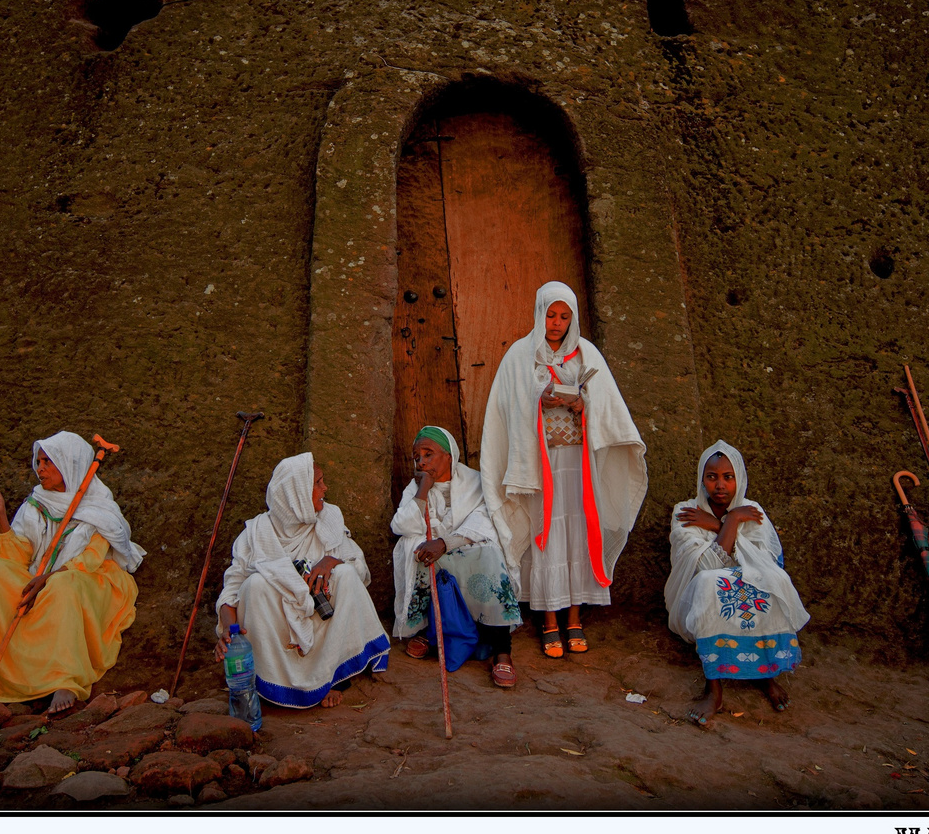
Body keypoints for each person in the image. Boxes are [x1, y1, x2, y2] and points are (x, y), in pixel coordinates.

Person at [480, 281, 647, 658]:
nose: (556, 323)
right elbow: (506, 408)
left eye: (564, 316)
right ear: (540, 313)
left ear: (573, 318)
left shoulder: (586, 354)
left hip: (578, 463)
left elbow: (607, 406)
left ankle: (575, 617)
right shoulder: (520, 356)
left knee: (578, 530)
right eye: (551, 315)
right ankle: (549, 620)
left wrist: (583, 405)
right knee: (548, 532)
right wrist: (538, 400)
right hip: (541, 464)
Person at [0, 431, 145, 716]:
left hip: (86, 580)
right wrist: (1, 516)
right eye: (39, 461)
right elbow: (17, 558)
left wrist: (48, 578)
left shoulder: (101, 510)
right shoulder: (36, 503)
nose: (40, 468)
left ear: (70, 464)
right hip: (39, 576)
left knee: (63, 585)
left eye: (49, 461)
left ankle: (64, 679)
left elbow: (91, 559)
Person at [215, 453, 390, 708]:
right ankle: (274, 681)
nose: (325, 488)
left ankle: (331, 677)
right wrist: (231, 634)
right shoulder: (256, 534)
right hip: (279, 628)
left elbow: (360, 569)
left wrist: (330, 562)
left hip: (321, 623)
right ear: (295, 494)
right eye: (318, 482)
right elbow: (230, 590)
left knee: (346, 575)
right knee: (254, 586)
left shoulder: (328, 519)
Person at [667, 441, 809, 721]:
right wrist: (731, 522)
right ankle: (714, 688)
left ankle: (766, 675)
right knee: (711, 582)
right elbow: (707, 566)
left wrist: (720, 522)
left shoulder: (751, 510)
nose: (720, 485)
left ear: (739, 478)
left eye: (728, 477)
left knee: (772, 579)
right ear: (702, 479)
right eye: (712, 477)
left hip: (746, 594)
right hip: (695, 598)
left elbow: (764, 561)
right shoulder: (685, 510)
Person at [392, 426, 521, 686]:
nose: (422, 461)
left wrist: (445, 542)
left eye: (429, 454)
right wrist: (423, 491)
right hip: (438, 555)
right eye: (417, 457)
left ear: (449, 455)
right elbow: (402, 526)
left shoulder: (475, 481)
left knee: (488, 554)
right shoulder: (415, 487)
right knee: (413, 548)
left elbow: (486, 520)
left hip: (467, 551)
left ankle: (501, 650)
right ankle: (431, 631)